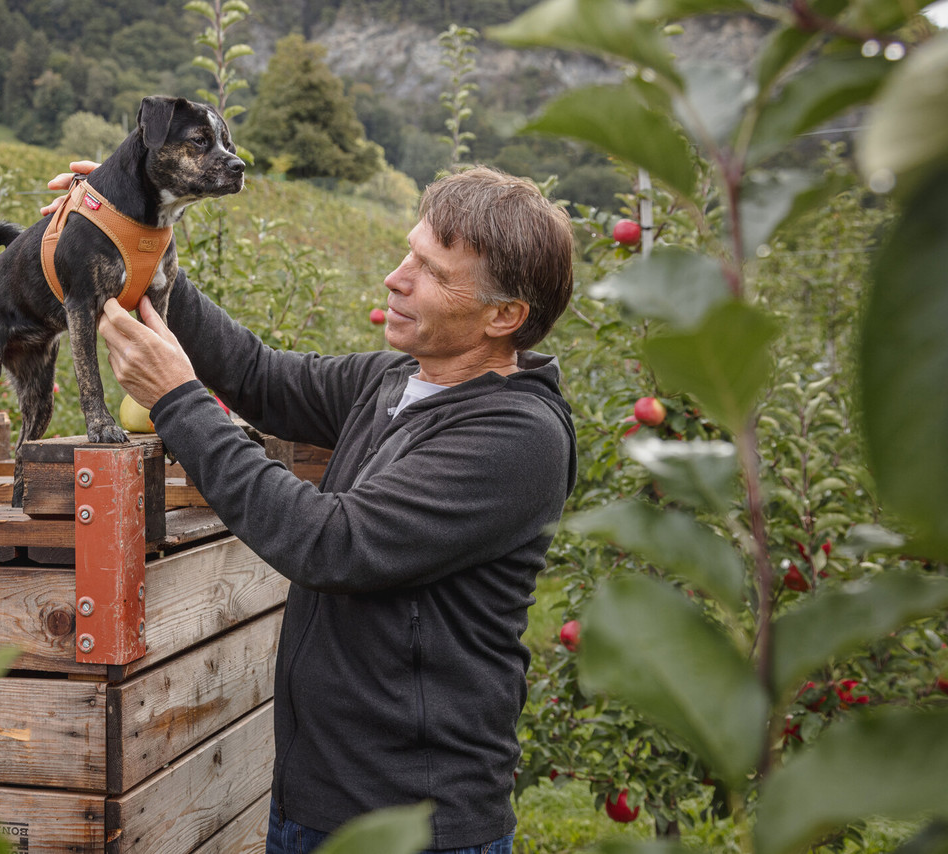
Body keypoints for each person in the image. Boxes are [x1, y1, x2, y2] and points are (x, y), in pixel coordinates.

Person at [47, 163, 578, 853]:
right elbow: (256, 375)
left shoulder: (517, 439)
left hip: (413, 824)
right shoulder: (396, 381)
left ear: (504, 316)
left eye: (431, 271)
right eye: (407, 253)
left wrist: (178, 400)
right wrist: (144, 239)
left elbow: (331, 545)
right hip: (314, 800)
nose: (396, 278)